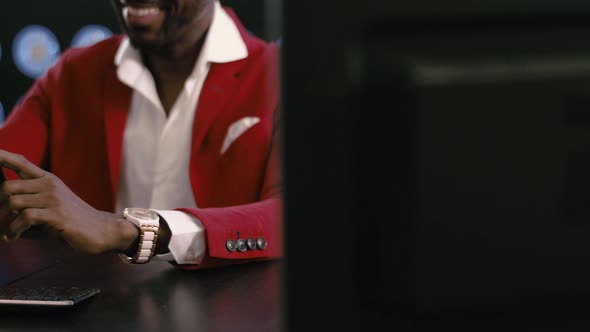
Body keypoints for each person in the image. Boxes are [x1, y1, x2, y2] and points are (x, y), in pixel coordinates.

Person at [0, 0, 282, 270]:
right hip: (95, 312)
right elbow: (7, 165)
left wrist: (126, 231)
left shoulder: (279, 76)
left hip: (232, 312)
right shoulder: (74, 73)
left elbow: (288, 218)